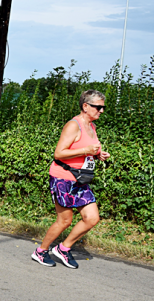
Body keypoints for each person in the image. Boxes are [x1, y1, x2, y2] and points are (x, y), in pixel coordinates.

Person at [32, 90, 110, 269]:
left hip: (81, 179)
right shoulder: (73, 125)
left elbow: (86, 149)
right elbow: (59, 153)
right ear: (85, 106)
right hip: (63, 178)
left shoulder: (91, 126)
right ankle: (41, 251)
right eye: (98, 107)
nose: (101, 111)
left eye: (103, 107)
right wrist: (86, 151)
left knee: (92, 218)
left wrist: (98, 155)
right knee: (65, 220)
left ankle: (63, 248)